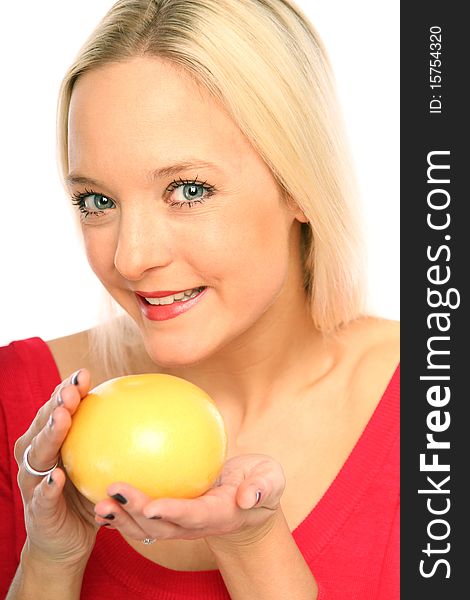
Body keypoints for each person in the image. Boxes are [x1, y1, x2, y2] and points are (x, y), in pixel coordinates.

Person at [0, 0, 399, 598]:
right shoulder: (18, 405)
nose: (131, 258)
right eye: (97, 201)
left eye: (188, 189)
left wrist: (253, 548)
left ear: (300, 185)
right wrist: (51, 561)